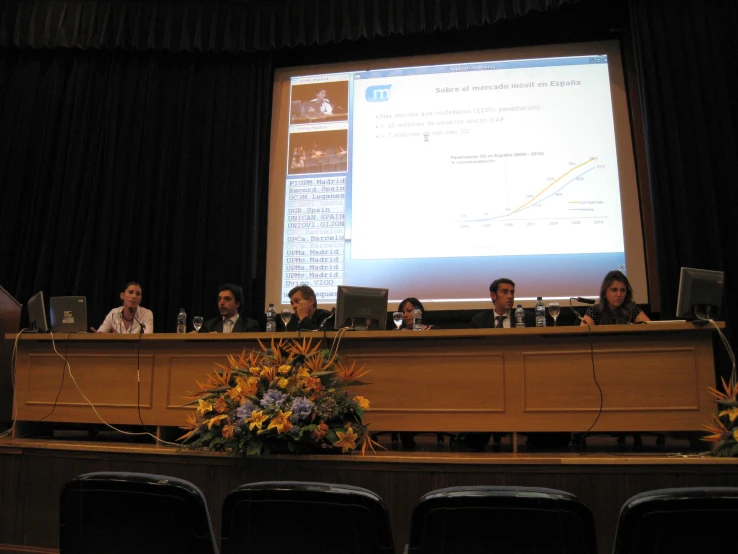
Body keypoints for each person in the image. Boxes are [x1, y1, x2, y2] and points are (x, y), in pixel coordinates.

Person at [581, 270, 651, 325]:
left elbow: (650, 327)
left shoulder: (632, 309)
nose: (619, 294)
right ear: (605, 293)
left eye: (623, 290)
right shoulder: (594, 311)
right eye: (614, 290)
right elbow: (582, 335)